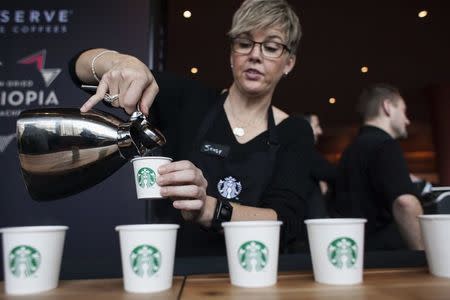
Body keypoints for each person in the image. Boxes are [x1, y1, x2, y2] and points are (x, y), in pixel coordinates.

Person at [71, 0, 314, 256]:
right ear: (232, 54)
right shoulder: (188, 101)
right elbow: (78, 70)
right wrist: (121, 63)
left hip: (254, 274)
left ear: (288, 63)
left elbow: (286, 224)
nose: (255, 55)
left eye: (271, 47)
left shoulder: (294, 131)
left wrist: (210, 209)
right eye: (244, 43)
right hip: (180, 275)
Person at [331, 83, 424, 250]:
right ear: (387, 107)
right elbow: (405, 203)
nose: (407, 120)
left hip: (357, 253)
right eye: (403, 111)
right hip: (389, 257)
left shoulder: (349, 151)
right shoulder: (385, 145)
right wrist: (424, 254)